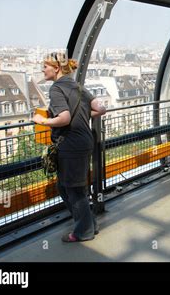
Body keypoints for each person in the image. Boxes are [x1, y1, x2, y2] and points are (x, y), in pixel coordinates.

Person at [33, 52, 106, 242]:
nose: (43, 69)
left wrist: (43, 120)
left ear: (56, 68)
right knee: (67, 187)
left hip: (71, 145)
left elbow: (64, 117)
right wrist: (82, 114)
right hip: (84, 142)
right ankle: (89, 224)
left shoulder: (56, 89)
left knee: (74, 189)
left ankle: (84, 232)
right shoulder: (78, 87)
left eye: (45, 66)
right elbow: (101, 109)